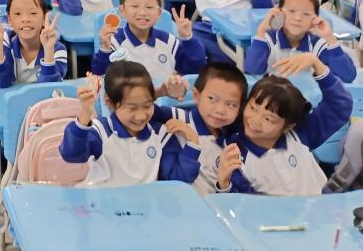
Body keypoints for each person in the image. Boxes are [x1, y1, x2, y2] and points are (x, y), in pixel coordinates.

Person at [220, 53, 351, 195]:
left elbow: (340, 107)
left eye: (268, 119)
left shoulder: (299, 135)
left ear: (288, 126)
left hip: (322, 205)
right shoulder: (235, 154)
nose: (255, 121)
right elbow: (244, 203)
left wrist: (317, 64)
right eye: (253, 108)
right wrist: (225, 184)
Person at [59, 62, 202, 186]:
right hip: (103, 205)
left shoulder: (161, 134)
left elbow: (178, 179)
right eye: (131, 108)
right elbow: (72, 155)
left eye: (147, 106)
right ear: (110, 102)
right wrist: (85, 113)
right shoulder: (101, 131)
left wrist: (193, 141)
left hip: (143, 207)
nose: (141, 116)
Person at [91, 0, 205, 95]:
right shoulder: (114, 41)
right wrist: (105, 48)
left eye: (149, 7)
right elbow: (100, 76)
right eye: (135, 6)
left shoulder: (169, 41)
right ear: (122, 10)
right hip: (129, 101)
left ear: (159, 13)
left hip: (163, 100)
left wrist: (188, 39)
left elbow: (195, 68)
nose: (142, 12)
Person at [170, 63, 249, 196]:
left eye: (231, 104)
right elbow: (176, 183)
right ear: (196, 95)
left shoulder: (232, 143)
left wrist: (224, 184)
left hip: (215, 207)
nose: (220, 110)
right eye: (212, 99)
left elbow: (235, 196)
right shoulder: (177, 120)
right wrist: (160, 92)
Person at [244, 0, 356, 81]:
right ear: (279, 12)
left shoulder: (317, 44)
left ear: (315, 19)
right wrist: (261, 30)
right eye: (291, 11)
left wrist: (330, 39)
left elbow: (348, 76)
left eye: (306, 14)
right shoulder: (268, 38)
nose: (298, 18)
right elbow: (252, 69)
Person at [0, 0, 67, 87]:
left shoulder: (57, 49)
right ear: (9, 20)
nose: (25, 19)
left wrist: (48, 50)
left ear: (44, 17)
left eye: (33, 13)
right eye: (18, 13)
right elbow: (1, 82)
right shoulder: (7, 42)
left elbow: (50, 88)